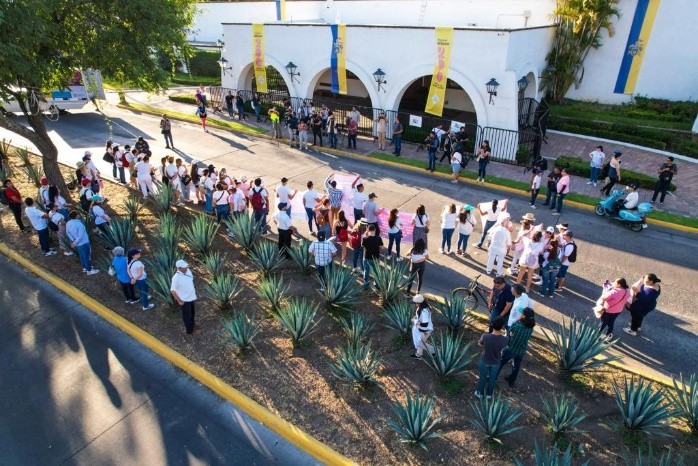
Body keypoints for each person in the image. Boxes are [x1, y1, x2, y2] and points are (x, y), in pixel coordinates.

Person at [499, 307, 535, 387]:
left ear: (524, 316)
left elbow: (510, 333)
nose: (521, 314)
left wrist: (518, 320)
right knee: (516, 366)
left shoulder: (517, 325)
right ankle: (511, 380)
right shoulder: (531, 327)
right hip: (521, 350)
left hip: (511, 349)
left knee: (500, 363)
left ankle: (492, 378)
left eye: (522, 314)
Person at [475, 316, 508, 399]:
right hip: (496, 361)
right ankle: (489, 394)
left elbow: (480, 343)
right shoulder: (505, 339)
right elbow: (504, 345)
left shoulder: (485, 336)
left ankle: (479, 393)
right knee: (492, 378)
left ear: (492, 325)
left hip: (485, 360)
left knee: (482, 377)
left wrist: (481, 343)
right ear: (502, 327)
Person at [170, 260, 199, 335]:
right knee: (187, 316)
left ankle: (192, 324)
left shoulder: (188, 271)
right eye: (184, 267)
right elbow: (172, 290)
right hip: (185, 300)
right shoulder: (176, 278)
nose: (186, 268)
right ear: (179, 268)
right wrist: (179, 301)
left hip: (191, 297)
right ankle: (190, 331)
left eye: (186, 266)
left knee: (192, 313)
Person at [66, 210, 99, 274]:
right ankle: (89, 270)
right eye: (78, 214)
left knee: (81, 256)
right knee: (86, 256)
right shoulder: (79, 224)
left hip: (78, 243)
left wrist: (73, 240)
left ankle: (85, 267)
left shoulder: (68, 223)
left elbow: (68, 233)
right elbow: (80, 235)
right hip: (84, 242)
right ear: (76, 216)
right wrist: (75, 242)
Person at [411, 294, 434, 360]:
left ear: (419, 303)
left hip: (425, 330)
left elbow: (425, 324)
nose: (415, 304)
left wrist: (415, 321)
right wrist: (415, 317)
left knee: (421, 343)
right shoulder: (422, 307)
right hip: (422, 329)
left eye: (416, 303)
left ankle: (434, 351)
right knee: (420, 343)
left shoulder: (424, 311)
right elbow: (418, 315)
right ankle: (419, 355)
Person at [539, 228, 561, 298]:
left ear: (550, 245)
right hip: (556, 267)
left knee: (545, 280)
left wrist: (546, 248)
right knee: (552, 280)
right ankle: (551, 294)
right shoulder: (559, 251)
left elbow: (544, 256)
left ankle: (542, 293)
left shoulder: (547, 253)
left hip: (547, 267)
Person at [361, 224, 383, 289]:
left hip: (367, 258)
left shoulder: (365, 239)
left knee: (366, 271)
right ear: (375, 230)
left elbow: (362, 246)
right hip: (376, 258)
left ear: (368, 230)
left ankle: (366, 285)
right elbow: (382, 247)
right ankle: (377, 284)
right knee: (376, 272)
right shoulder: (378, 238)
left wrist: (365, 234)